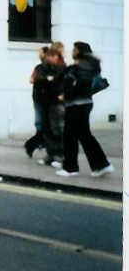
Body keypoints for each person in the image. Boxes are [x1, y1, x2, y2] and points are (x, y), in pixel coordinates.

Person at [56, 41, 113, 178]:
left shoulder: (82, 66)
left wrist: (66, 95)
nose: (72, 51)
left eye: (74, 49)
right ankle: (101, 165)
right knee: (84, 135)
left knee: (70, 136)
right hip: (85, 103)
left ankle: (71, 168)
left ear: (79, 51)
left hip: (76, 104)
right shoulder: (90, 65)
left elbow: (80, 84)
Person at [33, 46, 65, 167]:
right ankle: (50, 155)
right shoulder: (41, 67)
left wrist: (48, 80)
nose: (51, 58)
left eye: (53, 56)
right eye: (49, 55)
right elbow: (36, 80)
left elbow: (59, 83)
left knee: (57, 129)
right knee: (46, 129)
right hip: (44, 102)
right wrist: (48, 79)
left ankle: (60, 155)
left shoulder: (62, 68)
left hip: (56, 103)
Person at [24, 46, 48, 157]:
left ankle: (33, 144)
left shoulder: (47, 67)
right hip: (38, 98)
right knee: (39, 123)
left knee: (43, 124)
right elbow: (31, 79)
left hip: (45, 99)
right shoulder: (38, 67)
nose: (39, 55)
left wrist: (39, 80)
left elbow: (33, 80)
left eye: (40, 52)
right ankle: (36, 143)